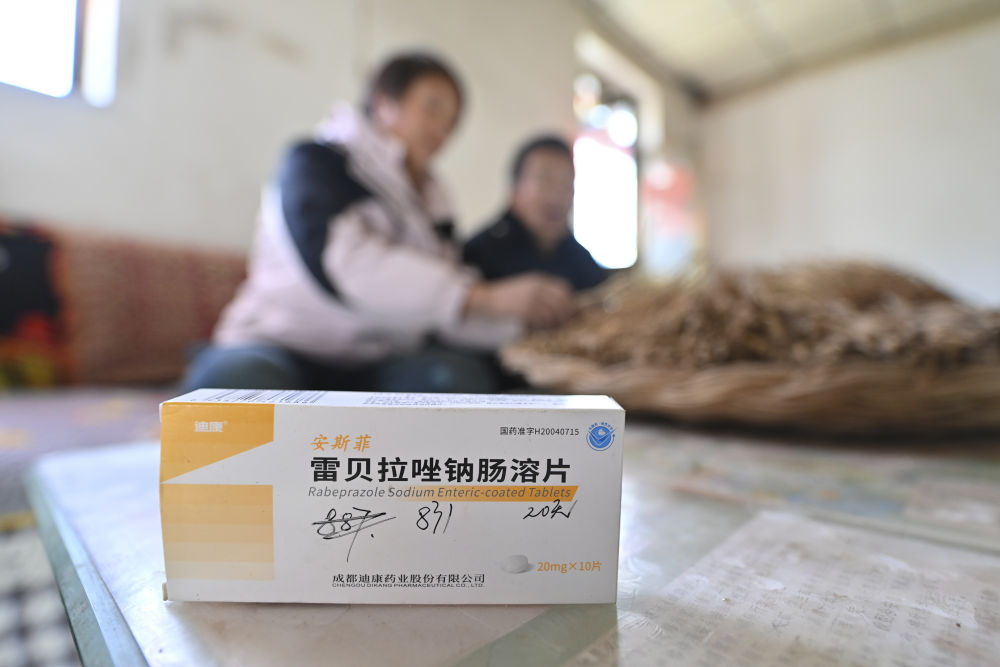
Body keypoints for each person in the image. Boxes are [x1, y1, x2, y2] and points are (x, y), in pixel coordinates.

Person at [183, 52, 575, 393]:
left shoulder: (431, 205)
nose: (442, 130)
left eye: (452, 121)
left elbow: (438, 311)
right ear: (384, 101)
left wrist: (526, 326)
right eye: (433, 107)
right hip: (280, 345)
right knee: (239, 385)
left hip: (374, 363)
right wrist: (484, 298)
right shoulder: (318, 163)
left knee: (456, 379)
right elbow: (348, 266)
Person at [463, 135, 606, 291]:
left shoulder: (580, 258)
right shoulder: (479, 253)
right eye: (545, 181)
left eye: (566, 184)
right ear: (515, 189)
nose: (557, 196)